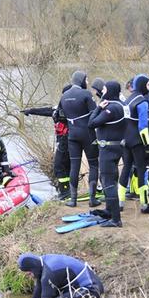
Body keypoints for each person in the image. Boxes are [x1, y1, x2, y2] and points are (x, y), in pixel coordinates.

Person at [118, 74, 149, 214]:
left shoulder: (128, 100)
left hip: (125, 140)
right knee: (141, 170)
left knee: (126, 169)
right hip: (137, 142)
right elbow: (143, 127)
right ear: (142, 84)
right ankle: (145, 205)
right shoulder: (142, 101)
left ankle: (120, 203)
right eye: (148, 84)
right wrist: (148, 146)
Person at [21, 83, 72, 200]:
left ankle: (65, 192)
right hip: (63, 141)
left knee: (59, 166)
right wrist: (30, 110)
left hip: (68, 141)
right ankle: (66, 190)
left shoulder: (71, 109)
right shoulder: (60, 107)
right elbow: (48, 110)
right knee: (64, 167)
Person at [59, 70, 100, 207]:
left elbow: (60, 115)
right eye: (86, 80)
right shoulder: (86, 94)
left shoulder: (64, 96)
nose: (87, 83)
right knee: (94, 164)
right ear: (81, 80)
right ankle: (92, 199)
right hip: (87, 134)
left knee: (74, 166)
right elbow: (94, 115)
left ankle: (73, 200)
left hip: (72, 135)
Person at [88, 81, 126, 227]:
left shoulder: (110, 108)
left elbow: (91, 123)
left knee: (108, 182)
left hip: (109, 150)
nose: (102, 92)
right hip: (117, 147)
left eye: (104, 89)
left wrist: (98, 108)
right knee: (111, 180)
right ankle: (109, 210)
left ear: (109, 90)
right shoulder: (121, 105)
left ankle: (116, 219)